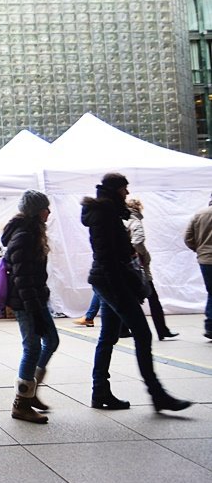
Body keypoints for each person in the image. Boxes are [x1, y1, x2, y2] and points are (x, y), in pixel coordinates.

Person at [82, 173, 191, 413]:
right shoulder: (105, 214)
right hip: (112, 282)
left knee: (109, 336)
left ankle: (100, 391)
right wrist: (123, 292)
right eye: (124, 189)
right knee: (142, 333)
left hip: (107, 281)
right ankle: (157, 394)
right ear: (115, 190)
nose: (127, 194)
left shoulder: (106, 211)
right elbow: (106, 256)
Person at [2, 190, 59, 423]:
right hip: (27, 301)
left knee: (51, 341)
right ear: (37, 211)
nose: (49, 211)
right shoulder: (24, 236)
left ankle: (30, 390)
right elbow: (22, 277)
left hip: (35, 298)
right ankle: (22, 402)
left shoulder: (31, 232)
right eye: (46, 208)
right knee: (33, 347)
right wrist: (33, 309)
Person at [125, 198, 177, 340]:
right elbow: (138, 241)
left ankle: (123, 329)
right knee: (153, 298)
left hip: (126, 266)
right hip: (139, 266)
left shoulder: (122, 220)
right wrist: (144, 256)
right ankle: (162, 329)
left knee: (128, 298)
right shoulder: (135, 221)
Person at [184, 194, 212, 341]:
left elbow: (188, 237)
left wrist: (199, 249)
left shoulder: (199, 214)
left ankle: (210, 325)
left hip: (205, 260)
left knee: (211, 291)